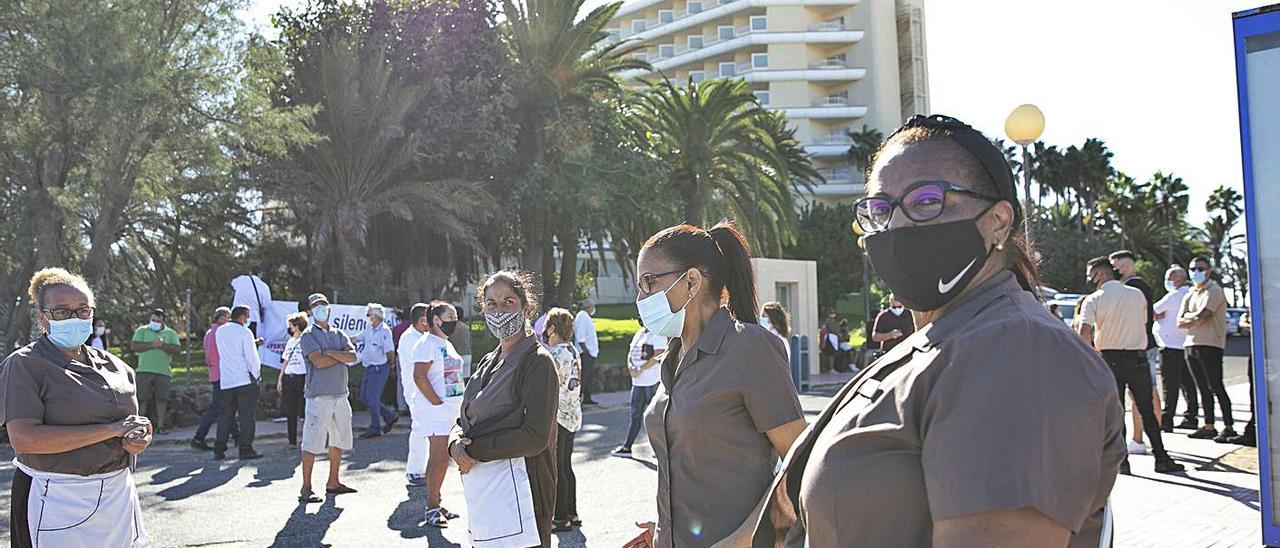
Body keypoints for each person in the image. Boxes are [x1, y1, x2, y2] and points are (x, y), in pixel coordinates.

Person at [746, 115, 1124, 547]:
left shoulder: (1017, 351)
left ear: (999, 221)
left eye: (927, 201)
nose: (898, 227)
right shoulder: (935, 340)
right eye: (880, 210)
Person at [624, 222, 807, 548]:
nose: (640, 297)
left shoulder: (749, 347)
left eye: (648, 282)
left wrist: (739, 541)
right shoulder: (671, 359)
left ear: (692, 281)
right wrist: (664, 530)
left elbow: (803, 465)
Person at [1, 268, 152, 547]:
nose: (75, 318)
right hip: (57, 497)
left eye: (83, 310)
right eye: (62, 312)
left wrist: (135, 439)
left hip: (117, 495)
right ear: (42, 317)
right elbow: (24, 439)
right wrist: (110, 429)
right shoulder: (25, 364)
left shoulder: (117, 367)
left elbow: (128, 426)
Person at [450, 271, 559, 548]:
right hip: (485, 491)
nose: (499, 311)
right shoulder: (488, 361)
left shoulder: (537, 363)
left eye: (508, 302)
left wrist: (471, 450)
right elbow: (466, 416)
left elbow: (535, 437)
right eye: (491, 304)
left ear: (526, 306)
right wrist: (454, 443)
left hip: (522, 493)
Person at [1078, 257, 1181, 474]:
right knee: (1146, 410)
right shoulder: (1137, 295)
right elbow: (1144, 323)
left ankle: (1122, 462)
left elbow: (1084, 334)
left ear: (1100, 274)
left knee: (1116, 412)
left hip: (1108, 359)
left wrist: (1088, 361)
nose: (1089, 279)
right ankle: (1161, 458)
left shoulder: (1093, 300)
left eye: (1091, 274)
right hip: (1137, 358)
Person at [408, 302, 466, 527]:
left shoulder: (445, 343)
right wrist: (436, 403)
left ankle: (437, 502)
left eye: (455, 316)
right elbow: (419, 376)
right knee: (440, 457)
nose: (455, 320)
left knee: (443, 458)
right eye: (449, 316)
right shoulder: (426, 343)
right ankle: (431, 508)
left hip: (449, 410)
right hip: (435, 412)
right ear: (436, 320)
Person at [298, 293, 359, 503]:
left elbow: (352, 357)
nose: (321, 308)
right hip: (318, 396)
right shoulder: (308, 335)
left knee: (339, 439)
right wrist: (338, 355)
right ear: (310, 310)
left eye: (323, 305)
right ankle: (306, 487)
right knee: (312, 442)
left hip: (341, 395)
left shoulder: (339, 333)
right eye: (316, 306)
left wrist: (329, 353)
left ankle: (333, 482)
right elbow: (318, 362)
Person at [1109, 250, 1164, 453]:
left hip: (1140, 345)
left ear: (1127, 265)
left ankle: (1142, 438)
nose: (1115, 270)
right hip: (1144, 343)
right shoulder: (1140, 286)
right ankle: (1143, 438)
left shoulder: (1133, 286)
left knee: (1144, 395)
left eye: (1118, 265)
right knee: (1144, 394)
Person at [1179, 256, 1235, 442]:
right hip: (1191, 343)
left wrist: (1191, 318)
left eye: (1200, 268)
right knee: (1202, 387)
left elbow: (1205, 315)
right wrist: (1193, 318)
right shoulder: (1190, 293)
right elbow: (1180, 321)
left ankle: (1228, 426)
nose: (1196, 272)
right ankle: (1208, 425)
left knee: (1215, 385)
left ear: (1208, 270)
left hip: (1211, 343)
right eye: (1193, 268)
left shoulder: (1215, 290)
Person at [544, 308, 583, 533]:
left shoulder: (555, 354)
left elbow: (549, 385)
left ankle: (560, 518)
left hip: (558, 416)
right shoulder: (573, 351)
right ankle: (571, 512)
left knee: (557, 468)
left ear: (552, 328)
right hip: (573, 414)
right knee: (566, 466)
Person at [213, 305, 264, 461]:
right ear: (242, 317)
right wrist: (256, 375)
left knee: (225, 417)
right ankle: (245, 449)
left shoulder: (220, 331)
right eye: (247, 316)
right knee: (246, 417)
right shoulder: (245, 332)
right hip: (244, 380)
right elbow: (251, 357)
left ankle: (219, 449)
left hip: (227, 381)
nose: (248, 320)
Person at [1153, 265, 1199, 432]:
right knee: (1187, 383)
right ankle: (1191, 416)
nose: (1167, 281)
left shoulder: (1174, 295)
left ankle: (1167, 419)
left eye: (1169, 278)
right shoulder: (1191, 293)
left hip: (1170, 345)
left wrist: (1156, 316)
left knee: (1169, 384)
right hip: (1185, 344)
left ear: (1178, 279)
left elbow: (1152, 311)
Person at [613, 321, 667, 457]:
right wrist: (631, 367)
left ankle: (660, 448)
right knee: (635, 415)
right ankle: (627, 447)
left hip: (651, 380)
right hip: (638, 382)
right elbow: (630, 353)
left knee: (654, 416)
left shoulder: (658, 334)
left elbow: (658, 355)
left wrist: (641, 368)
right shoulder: (640, 333)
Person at [192, 307, 238, 450]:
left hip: (218, 373)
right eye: (227, 317)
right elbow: (214, 356)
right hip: (222, 374)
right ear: (221, 318)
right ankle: (199, 437)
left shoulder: (210, 333)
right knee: (219, 408)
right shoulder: (218, 333)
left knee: (226, 406)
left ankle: (237, 436)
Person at [130, 308, 180, 433]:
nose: (155, 322)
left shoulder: (171, 333)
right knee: (142, 399)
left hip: (163, 371)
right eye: (153, 320)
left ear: (163, 321)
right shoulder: (142, 330)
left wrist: (163, 346)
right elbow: (134, 346)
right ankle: (139, 428)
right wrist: (151, 345)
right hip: (144, 370)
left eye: (158, 321)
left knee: (162, 399)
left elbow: (177, 349)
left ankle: (160, 426)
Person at [398, 302, 431, 486]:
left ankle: (422, 468)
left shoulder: (424, 336)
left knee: (425, 430)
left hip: (425, 390)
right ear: (422, 320)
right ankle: (414, 471)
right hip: (415, 391)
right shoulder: (409, 338)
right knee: (419, 430)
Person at [356, 303, 399, 439]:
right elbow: (356, 338)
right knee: (364, 396)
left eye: (370, 315)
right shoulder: (369, 329)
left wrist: (391, 365)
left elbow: (390, 351)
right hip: (369, 367)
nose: (368, 317)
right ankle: (389, 415)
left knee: (373, 397)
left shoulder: (384, 331)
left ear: (377, 316)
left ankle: (375, 427)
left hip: (379, 368)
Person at [277, 313, 309, 448]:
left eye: (291, 325)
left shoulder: (306, 341)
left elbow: (309, 361)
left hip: (301, 377)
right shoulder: (290, 342)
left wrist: (308, 380)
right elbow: (286, 360)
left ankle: (308, 440)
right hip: (289, 377)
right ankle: (292, 441)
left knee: (304, 410)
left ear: (297, 326)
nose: (289, 328)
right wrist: (280, 378)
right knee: (290, 411)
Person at [1228, 311, 1256, 446]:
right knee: (1254, 390)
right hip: (1257, 349)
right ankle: (1252, 431)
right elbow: (1243, 321)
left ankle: (1253, 432)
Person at [229, 266, 272, 335]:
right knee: (250, 341)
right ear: (261, 274)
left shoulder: (241, 279)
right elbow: (267, 304)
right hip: (252, 317)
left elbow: (232, 283)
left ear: (250, 272)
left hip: (235, 316)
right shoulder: (264, 286)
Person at [575, 298, 600, 405]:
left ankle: (587, 398)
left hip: (590, 352)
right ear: (588, 307)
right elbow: (580, 336)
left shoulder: (586, 317)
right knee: (583, 377)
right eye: (592, 306)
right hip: (585, 353)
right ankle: (578, 399)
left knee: (588, 377)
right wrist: (586, 351)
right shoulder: (582, 317)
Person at [449, 304, 474, 379]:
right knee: (466, 380)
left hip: (456, 357)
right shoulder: (465, 327)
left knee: (456, 381)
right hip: (467, 355)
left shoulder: (451, 328)